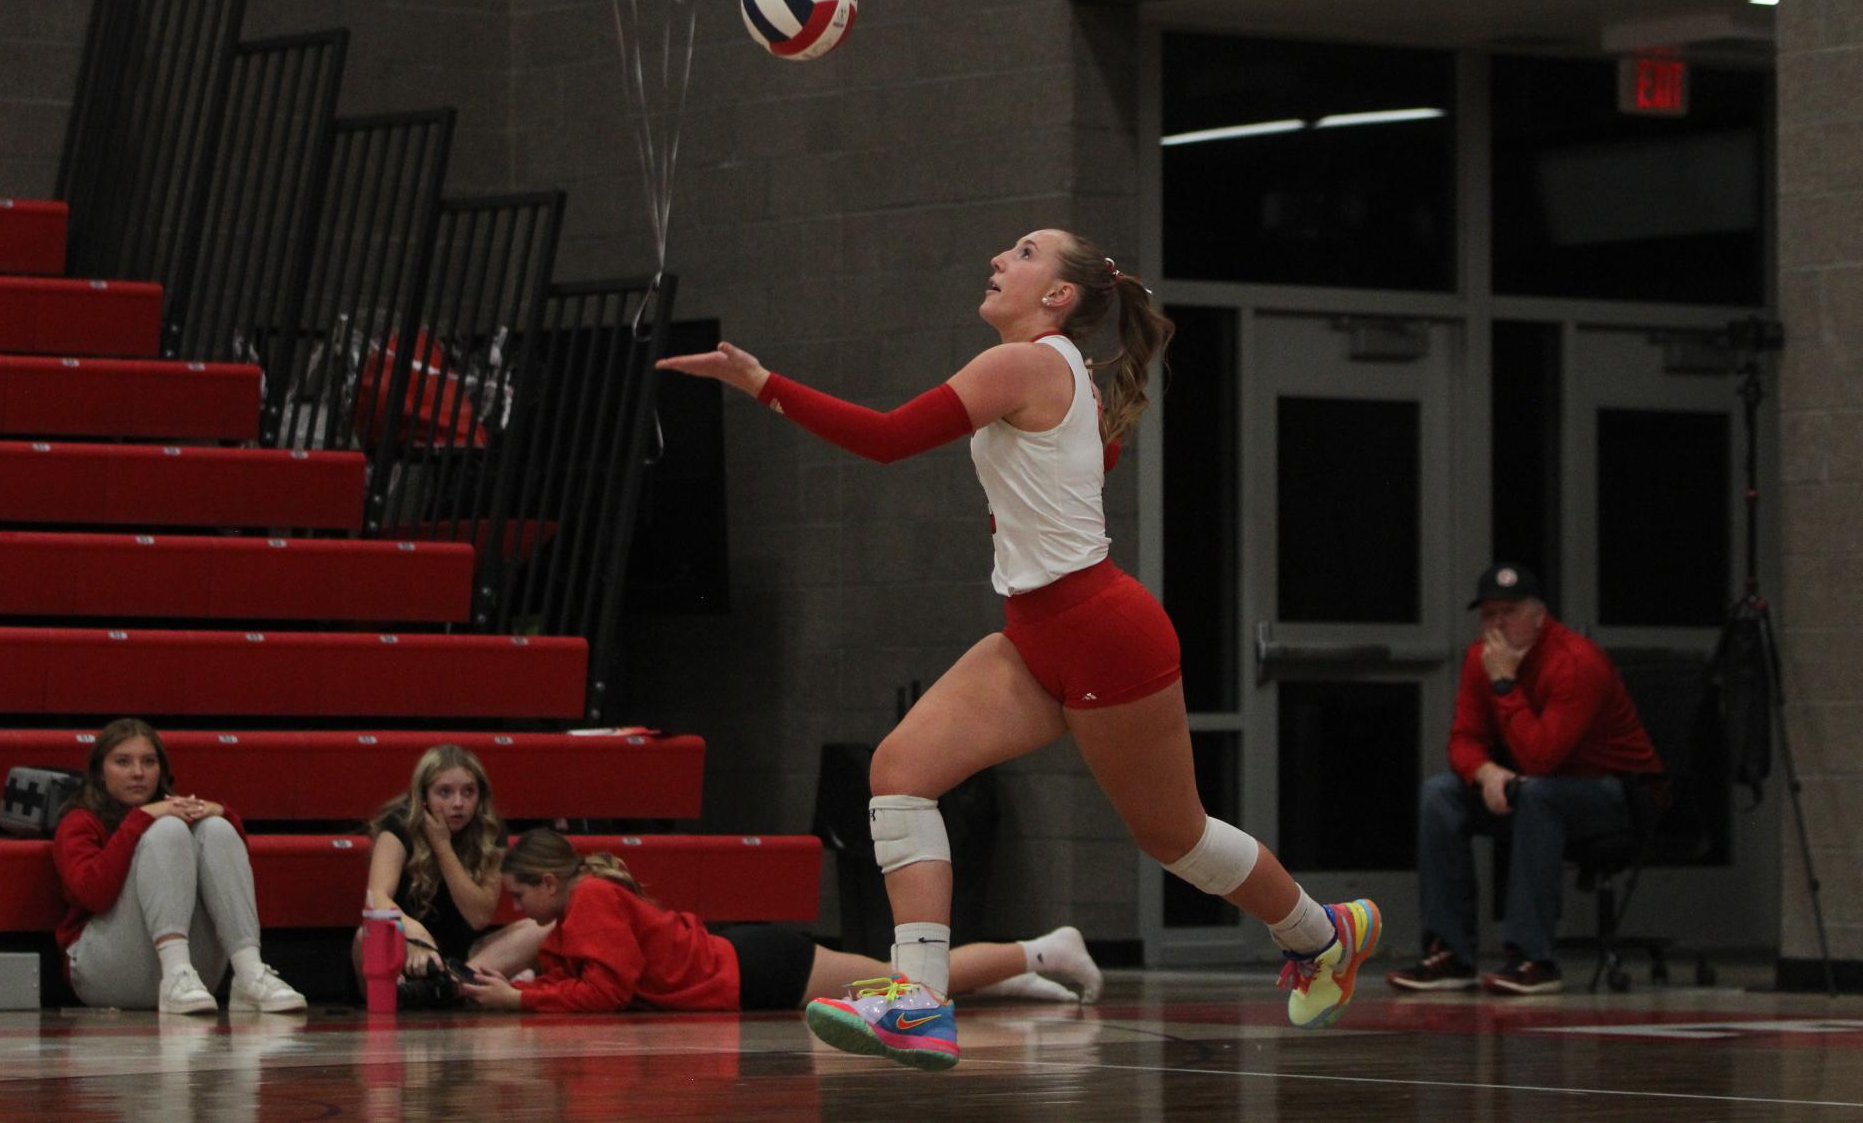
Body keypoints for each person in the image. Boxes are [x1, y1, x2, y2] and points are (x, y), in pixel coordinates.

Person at [656, 227, 1378, 1071]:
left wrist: (760, 383)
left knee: (1173, 839)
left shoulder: (1025, 362)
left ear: (1058, 296)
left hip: (1103, 632)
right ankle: (920, 1002)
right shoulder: (1054, 368)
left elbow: (887, 439)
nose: (998, 258)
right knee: (897, 773)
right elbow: (1086, 461)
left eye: (1024, 252)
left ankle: (1324, 933)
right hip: (1037, 630)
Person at [458, 829, 1101, 1027]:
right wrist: (520, 983)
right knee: (903, 989)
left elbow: (610, 991)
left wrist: (521, 995)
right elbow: (592, 975)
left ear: (547, 883)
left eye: (518, 895)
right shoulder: (580, 904)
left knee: (911, 986)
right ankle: (1021, 978)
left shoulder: (592, 898)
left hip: (761, 968)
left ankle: (1042, 952)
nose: (516, 909)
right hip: (746, 965)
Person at [1387, 564, 1663, 996]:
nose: (1497, 625)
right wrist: (1486, 771)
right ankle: (1451, 954)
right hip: (1539, 790)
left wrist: (1504, 685)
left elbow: (1541, 756)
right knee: (1440, 794)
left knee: (1537, 794)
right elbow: (1463, 739)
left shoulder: (1576, 661)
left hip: (1618, 796)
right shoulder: (1482, 658)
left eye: (1509, 613)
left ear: (1539, 616)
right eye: (1488, 615)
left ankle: (1534, 957)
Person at [52, 717, 307, 1014]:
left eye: (148, 762)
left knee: (216, 828)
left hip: (197, 975)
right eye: (123, 762)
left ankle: (248, 972)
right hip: (104, 971)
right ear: (99, 771)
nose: (138, 773)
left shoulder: (174, 811)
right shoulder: (79, 821)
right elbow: (93, 895)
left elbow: (230, 878)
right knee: (168, 830)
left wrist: (225, 815)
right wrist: (141, 820)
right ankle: (175, 973)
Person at [352, 744, 521, 992]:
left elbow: (479, 917)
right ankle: (407, 990)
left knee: (537, 928)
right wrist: (417, 935)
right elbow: (376, 898)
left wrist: (442, 846)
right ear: (423, 796)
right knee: (364, 935)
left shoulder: (490, 831)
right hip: (406, 943)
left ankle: (453, 985)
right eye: (445, 792)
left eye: (468, 792)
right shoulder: (398, 825)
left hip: (465, 956)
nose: (458, 803)